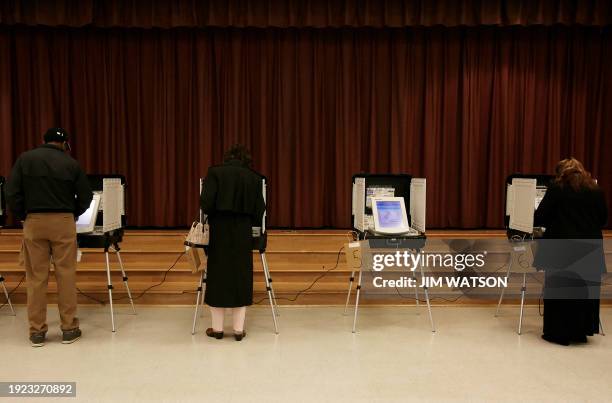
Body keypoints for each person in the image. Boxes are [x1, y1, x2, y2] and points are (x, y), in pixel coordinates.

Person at [6, 128, 93, 347]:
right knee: (66, 275)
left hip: (34, 221)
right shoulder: (71, 163)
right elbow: (86, 195)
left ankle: (37, 331)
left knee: (36, 278)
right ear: (65, 144)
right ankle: (69, 329)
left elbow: (11, 191)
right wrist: (72, 212)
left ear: (43, 141)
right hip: (63, 222)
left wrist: (22, 214)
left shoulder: (25, 159)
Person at [534, 158, 608, 346]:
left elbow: (540, 216)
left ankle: (558, 334)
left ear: (561, 173)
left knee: (560, 292)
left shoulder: (557, 188)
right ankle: (580, 332)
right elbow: (603, 219)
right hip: (590, 246)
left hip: (562, 246)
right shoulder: (595, 189)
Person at [200, 144, 265, 341]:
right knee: (241, 276)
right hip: (243, 232)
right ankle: (238, 330)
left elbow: (205, 204)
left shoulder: (215, 172)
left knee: (218, 276)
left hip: (219, 230)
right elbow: (260, 209)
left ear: (227, 158)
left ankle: (217, 329)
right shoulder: (254, 177)